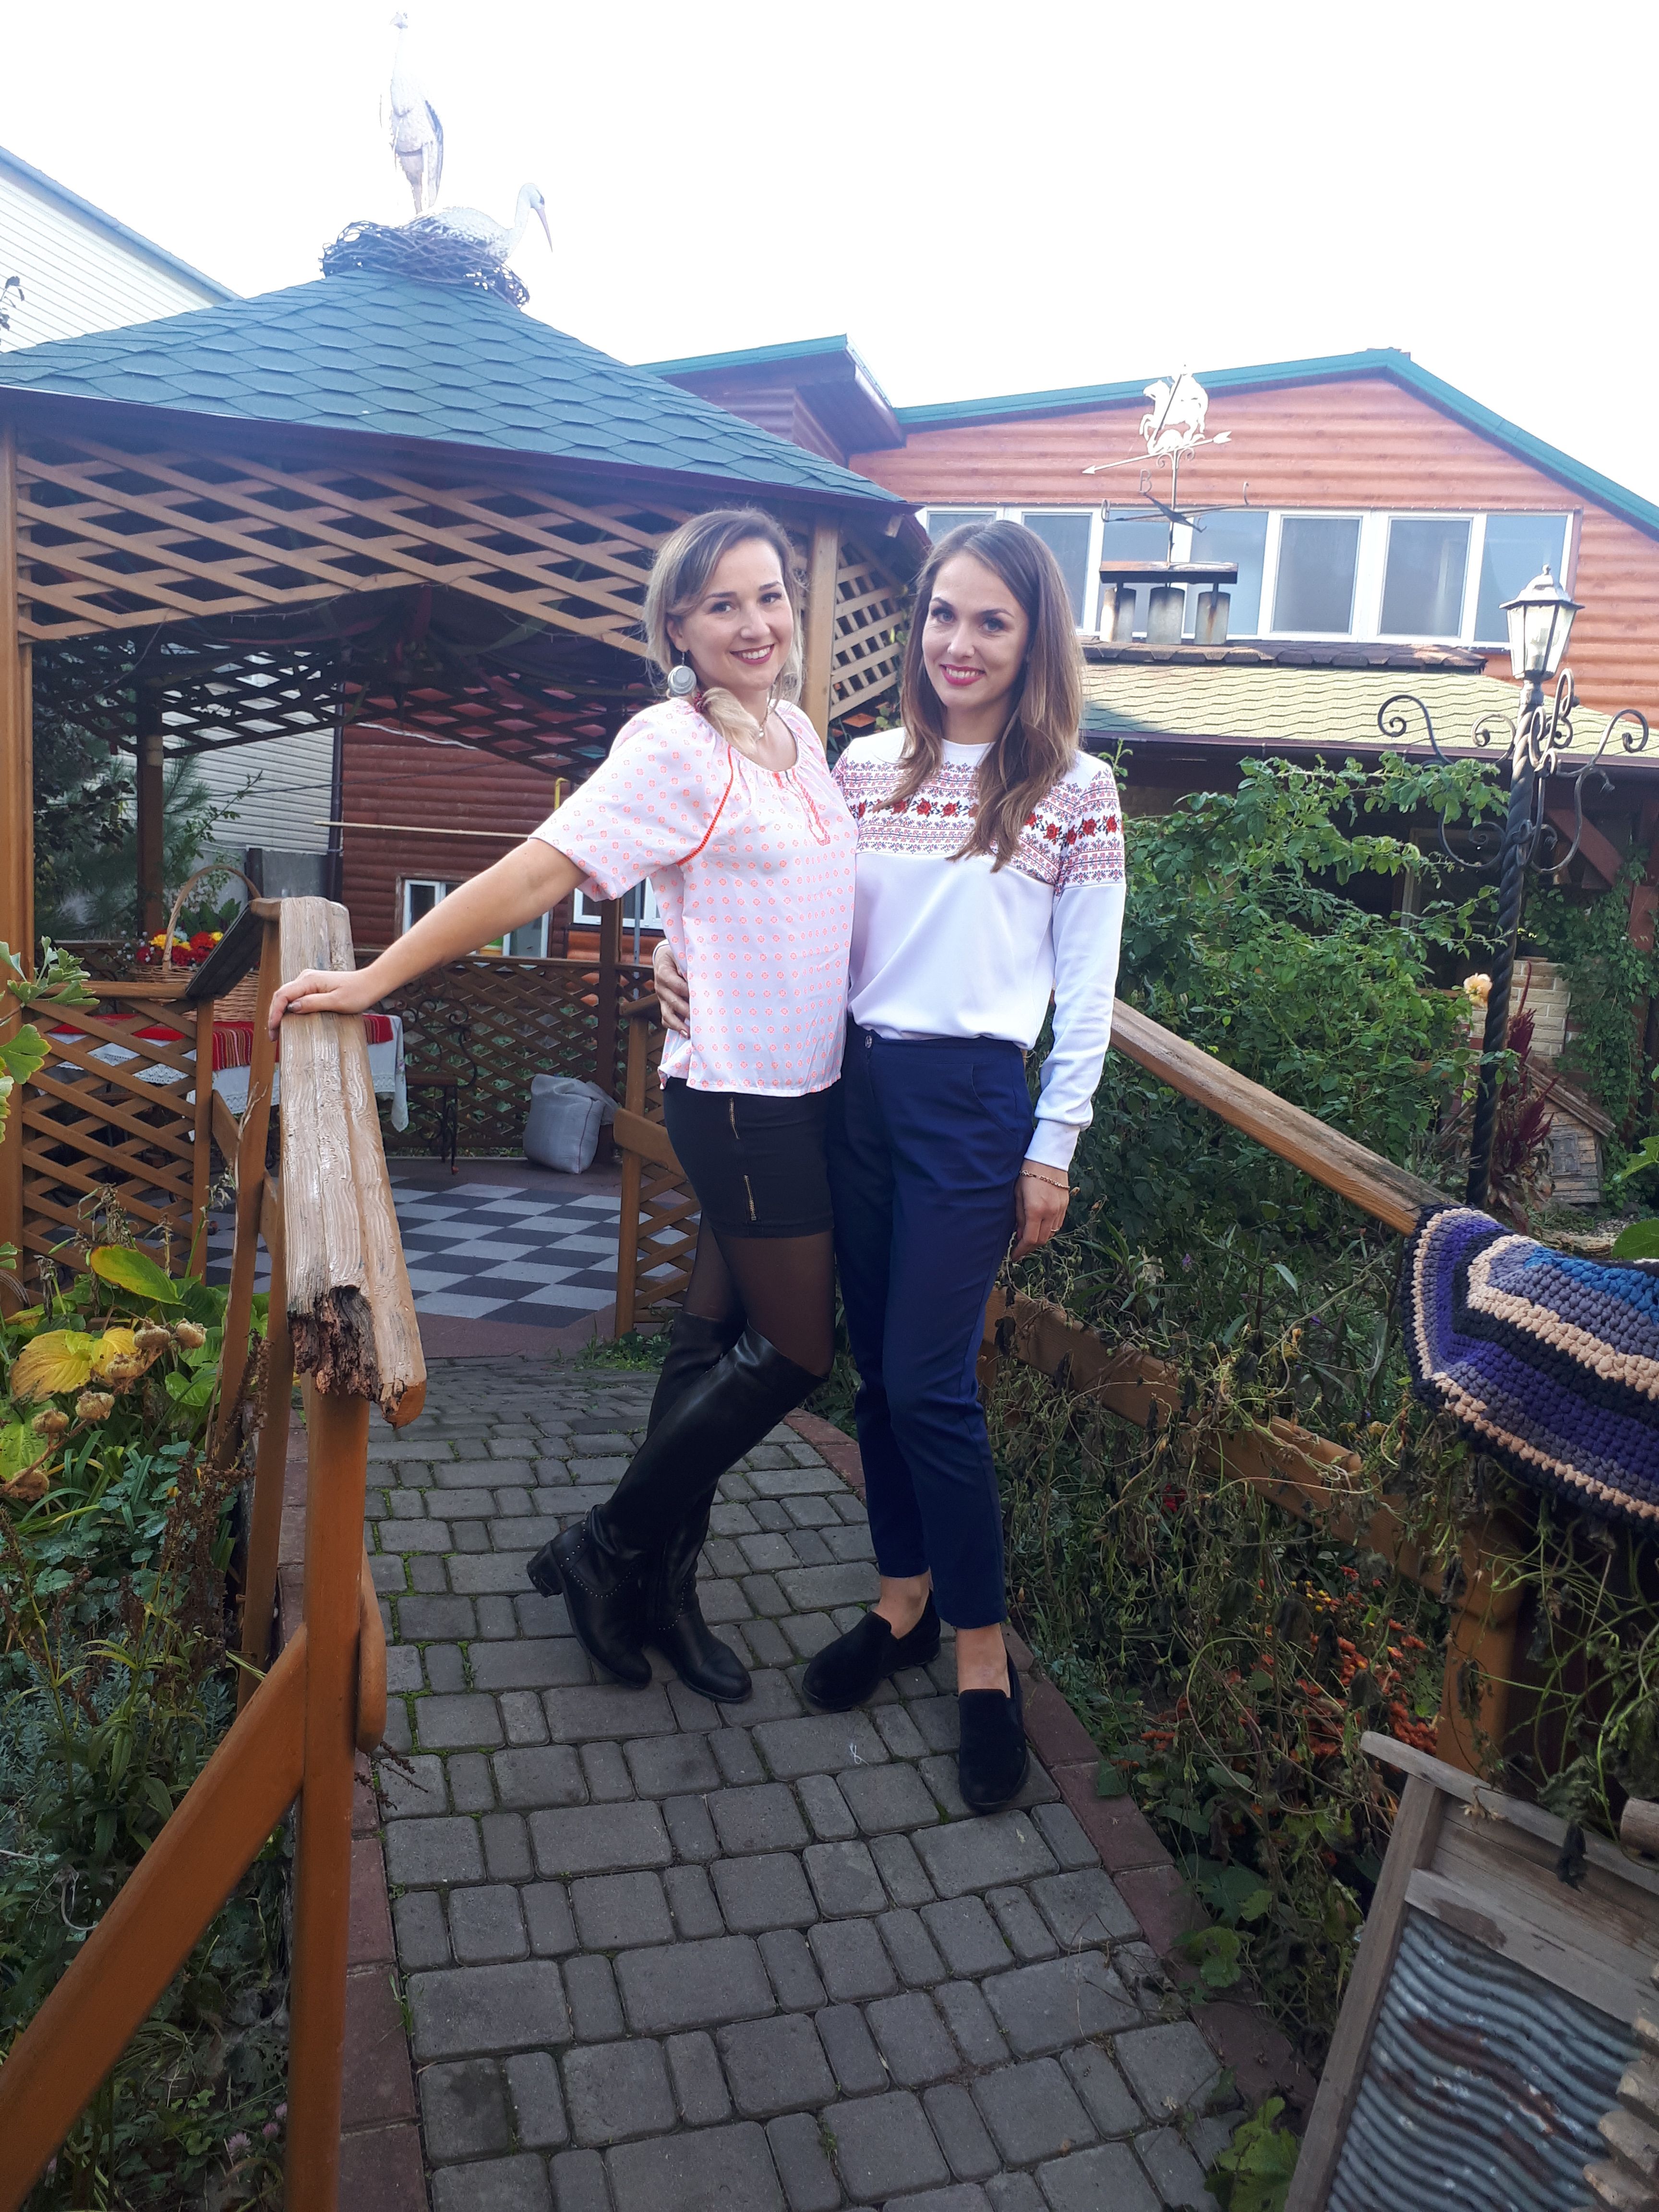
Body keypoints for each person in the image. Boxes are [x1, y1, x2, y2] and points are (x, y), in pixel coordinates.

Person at [269, 506, 856, 1707]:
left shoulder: (798, 734)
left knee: (706, 1350)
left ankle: (660, 1592)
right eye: (723, 604)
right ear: (678, 627)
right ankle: (603, 1547)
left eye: (771, 596)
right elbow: (536, 871)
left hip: (808, 1088)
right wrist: (378, 977)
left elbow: (773, 901)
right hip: (739, 1100)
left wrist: (672, 948)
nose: (756, 623)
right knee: (798, 1352)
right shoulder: (671, 744)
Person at [657, 518, 1124, 1810]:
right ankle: (901, 1599)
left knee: (929, 1383)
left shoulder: (1073, 790)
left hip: (972, 1105)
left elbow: (1087, 989)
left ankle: (983, 1657)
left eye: (991, 621)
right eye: (942, 615)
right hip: (851, 1087)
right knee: (874, 1373)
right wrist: (669, 945)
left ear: (1033, 639)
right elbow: (752, 876)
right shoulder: (856, 768)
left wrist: (1054, 1145)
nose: (958, 644)